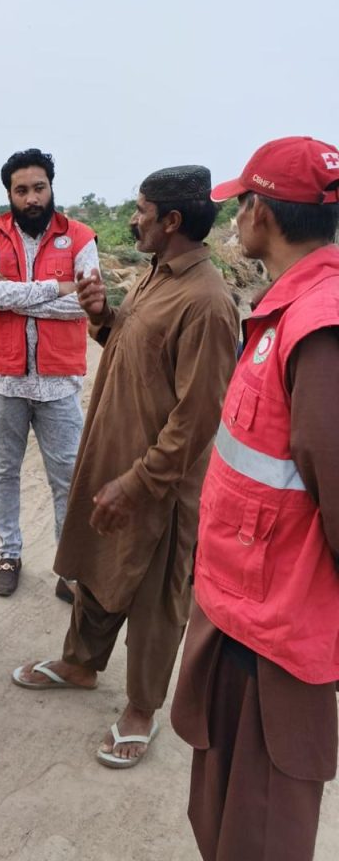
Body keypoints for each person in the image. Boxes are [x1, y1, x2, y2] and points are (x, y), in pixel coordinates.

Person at [12, 166, 239, 769]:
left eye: (141, 209)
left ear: (172, 220)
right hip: (114, 458)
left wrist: (139, 483)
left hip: (160, 483)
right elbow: (133, 350)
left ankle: (141, 708)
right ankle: (80, 666)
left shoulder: (209, 303)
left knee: (154, 593)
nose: (131, 219)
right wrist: (102, 316)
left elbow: (195, 419)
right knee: (97, 565)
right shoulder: (154, 276)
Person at [171, 137, 339, 860]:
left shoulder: (319, 328)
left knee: (262, 833)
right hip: (242, 611)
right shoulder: (285, 309)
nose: (236, 215)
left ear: (262, 212)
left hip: (281, 636)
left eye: (243, 201)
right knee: (220, 817)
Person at [0, 148, 98, 598]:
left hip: (58, 381)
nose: (31, 198)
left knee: (67, 475)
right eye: (21, 190)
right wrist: (53, 288)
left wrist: (18, 295)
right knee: (3, 470)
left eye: (38, 188)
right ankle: (9, 552)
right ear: (9, 193)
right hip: (4, 379)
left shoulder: (80, 236)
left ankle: (70, 568)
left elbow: (83, 302)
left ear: (51, 187)